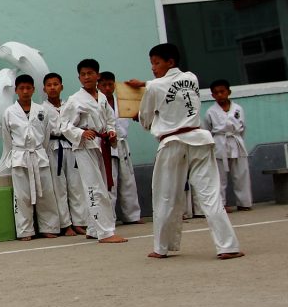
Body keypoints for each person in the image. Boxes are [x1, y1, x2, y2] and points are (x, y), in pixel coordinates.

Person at [128, 43, 243, 260]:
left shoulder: (153, 87)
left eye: (157, 62)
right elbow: (167, 84)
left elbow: (145, 120)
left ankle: (161, 248)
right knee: (210, 195)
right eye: (151, 63)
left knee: (165, 195)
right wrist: (146, 84)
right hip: (199, 140)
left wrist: (142, 116)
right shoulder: (191, 77)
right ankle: (228, 246)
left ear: (170, 62)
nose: (153, 67)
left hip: (171, 143)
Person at [59, 59, 127, 243]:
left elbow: (110, 120)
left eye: (90, 73)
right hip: (85, 147)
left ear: (98, 75)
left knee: (103, 185)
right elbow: (64, 125)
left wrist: (111, 133)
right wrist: (81, 132)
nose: (87, 77)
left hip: (102, 144)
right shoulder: (75, 100)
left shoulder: (103, 97)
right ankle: (105, 233)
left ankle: (92, 228)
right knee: (94, 187)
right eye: (83, 74)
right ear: (79, 77)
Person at [1, 74, 60, 240]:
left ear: (33, 90)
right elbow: (7, 139)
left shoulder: (41, 110)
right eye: (22, 88)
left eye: (28, 88)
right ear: (16, 90)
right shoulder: (9, 112)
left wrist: (39, 150)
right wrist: (17, 153)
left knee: (46, 193)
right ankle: (25, 230)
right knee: (22, 196)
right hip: (20, 156)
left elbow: (46, 136)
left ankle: (49, 227)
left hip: (39, 154)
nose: (25, 91)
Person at [97, 71, 143, 224]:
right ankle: (109, 219)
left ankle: (132, 216)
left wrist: (139, 115)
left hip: (122, 143)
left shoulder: (122, 102)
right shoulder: (96, 104)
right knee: (111, 183)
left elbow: (137, 115)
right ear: (98, 86)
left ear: (115, 85)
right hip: (106, 145)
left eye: (110, 84)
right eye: (104, 85)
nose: (108, 88)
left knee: (128, 181)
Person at [41, 72, 83, 236]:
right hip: (53, 147)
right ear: (44, 88)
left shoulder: (70, 105)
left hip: (71, 146)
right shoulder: (42, 109)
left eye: (56, 84)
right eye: (49, 85)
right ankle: (65, 224)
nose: (53, 87)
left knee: (76, 185)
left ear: (62, 86)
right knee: (59, 187)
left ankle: (80, 221)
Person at [204, 79, 252, 211]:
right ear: (212, 95)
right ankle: (221, 205)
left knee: (241, 174)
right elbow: (207, 131)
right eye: (216, 93)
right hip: (219, 143)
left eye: (222, 91)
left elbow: (243, 128)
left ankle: (244, 203)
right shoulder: (210, 112)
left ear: (228, 92)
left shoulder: (238, 109)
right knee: (220, 177)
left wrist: (238, 140)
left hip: (236, 141)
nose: (219, 95)